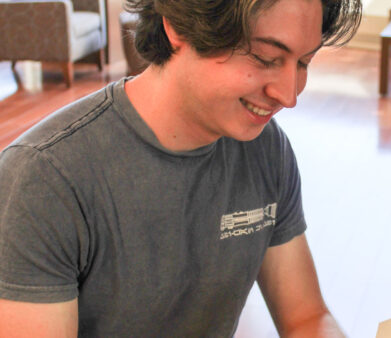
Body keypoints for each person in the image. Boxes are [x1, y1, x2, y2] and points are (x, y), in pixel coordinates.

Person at [0, 0, 361, 336]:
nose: (289, 95)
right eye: (265, 57)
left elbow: (306, 317)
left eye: (303, 63)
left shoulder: (265, 149)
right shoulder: (46, 178)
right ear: (180, 27)